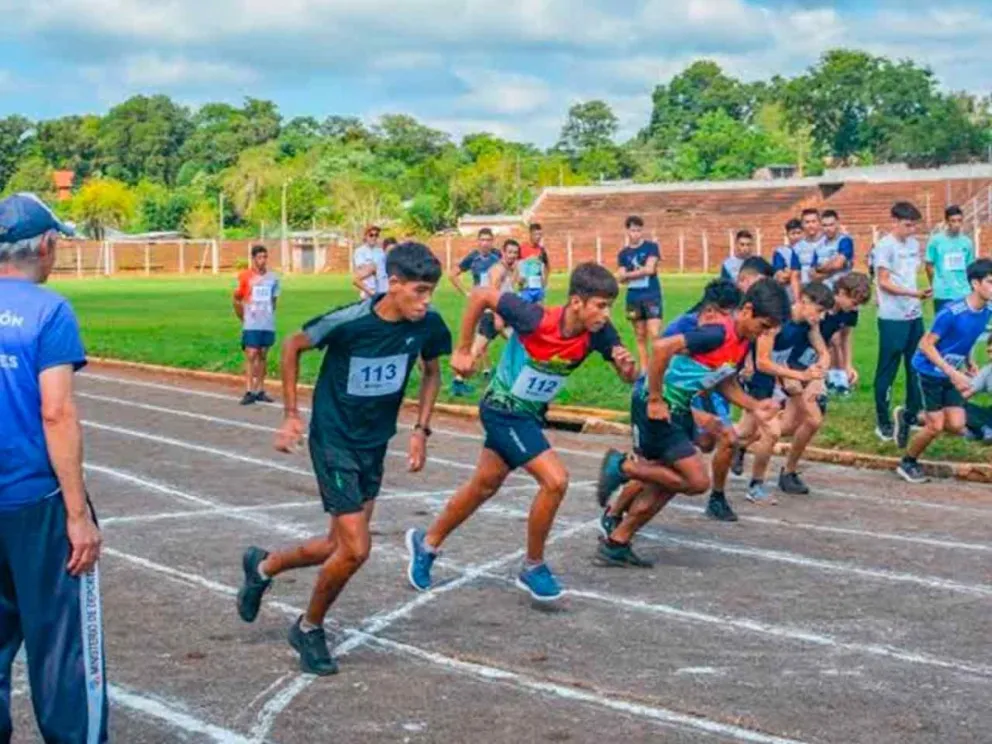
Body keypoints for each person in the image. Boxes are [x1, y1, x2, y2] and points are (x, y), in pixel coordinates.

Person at [236, 242, 452, 676]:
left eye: (431, 292)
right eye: (420, 291)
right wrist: (291, 415)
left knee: (335, 546)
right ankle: (308, 627)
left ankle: (263, 566)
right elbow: (292, 346)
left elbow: (431, 372)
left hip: (374, 442)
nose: (426, 301)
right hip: (334, 439)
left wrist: (421, 430)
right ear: (394, 284)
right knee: (356, 548)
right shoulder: (349, 321)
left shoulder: (427, 326)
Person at [405, 263, 638, 601]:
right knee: (555, 481)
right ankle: (533, 565)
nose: (606, 314)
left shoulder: (600, 333)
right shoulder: (534, 318)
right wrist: (463, 349)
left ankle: (426, 544)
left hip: (529, 416)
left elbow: (626, 375)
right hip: (502, 409)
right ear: (576, 302)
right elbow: (481, 295)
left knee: (484, 485)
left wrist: (627, 369)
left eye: (609, 307)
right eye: (601, 306)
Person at [0, 193, 107, 742]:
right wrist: (77, 514)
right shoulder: (50, 310)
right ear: (44, 245)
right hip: (35, 504)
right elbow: (56, 411)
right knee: (63, 652)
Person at [593, 279, 789, 563]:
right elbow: (661, 348)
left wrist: (754, 406)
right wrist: (655, 399)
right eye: (764, 325)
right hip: (657, 410)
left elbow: (723, 380)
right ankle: (623, 467)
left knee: (666, 485)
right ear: (747, 310)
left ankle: (617, 542)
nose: (764, 333)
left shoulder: (742, 342)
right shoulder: (717, 333)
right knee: (696, 481)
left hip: (679, 409)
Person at [736, 282, 834, 503]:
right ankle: (755, 485)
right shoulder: (776, 321)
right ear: (804, 301)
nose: (821, 317)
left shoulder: (810, 324)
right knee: (765, 432)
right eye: (819, 310)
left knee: (790, 425)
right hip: (761, 379)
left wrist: (818, 375)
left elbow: (824, 353)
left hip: (782, 375)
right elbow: (762, 362)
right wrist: (798, 375)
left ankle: (740, 449)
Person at [896, 259, 992, 483]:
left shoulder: (986, 310)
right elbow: (925, 345)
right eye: (990, 282)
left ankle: (909, 417)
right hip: (928, 370)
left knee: (957, 424)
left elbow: (965, 338)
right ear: (975, 284)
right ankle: (908, 462)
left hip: (950, 371)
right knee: (935, 426)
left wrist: (968, 362)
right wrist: (953, 372)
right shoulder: (951, 312)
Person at [873, 201, 931, 446]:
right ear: (894, 221)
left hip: (913, 314)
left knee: (915, 365)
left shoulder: (914, 244)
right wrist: (912, 293)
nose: (911, 230)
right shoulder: (884, 246)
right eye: (907, 225)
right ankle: (883, 421)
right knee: (888, 368)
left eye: (914, 226)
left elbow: (909, 275)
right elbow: (884, 281)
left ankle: (912, 413)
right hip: (892, 317)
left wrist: (917, 296)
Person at [449, 228, 503, 396]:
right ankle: (459, 379)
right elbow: (452, 275)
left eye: (488, 240)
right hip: (482, 306)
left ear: (493, 241)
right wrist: (466, 293)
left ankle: (487, 370)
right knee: (480, 341)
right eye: (482, 240)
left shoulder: (498, 256)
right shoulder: (473, 257)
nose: (485, 243)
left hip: (495, 304)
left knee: (482, 338)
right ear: (478, 241)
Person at [234, 244, 281, 405]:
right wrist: (243, 317)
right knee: (251, 354)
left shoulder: (273, 278)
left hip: (266, 323)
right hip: (251, 323)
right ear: (253, 259)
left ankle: (260, 390)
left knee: (263, 355)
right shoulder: (245, 276)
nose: (263, 260)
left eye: (265, 257)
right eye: (259, 257)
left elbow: (274, 300)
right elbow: (236, 299)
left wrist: (268, 314)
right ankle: (249, 390)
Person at [617, 215, 663, 371]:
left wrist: (628, 275)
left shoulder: (651, 247)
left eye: (638, 230)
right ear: (627, 231)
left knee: (654, 333)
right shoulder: (623, 254)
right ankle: (644, 370)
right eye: (632, 230)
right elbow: (620, 278)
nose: (635, 234)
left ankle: (658, 367)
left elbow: (650, 269)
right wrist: (637, 273)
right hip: (633, 297)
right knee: (640, 334)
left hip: (651, 295)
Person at [472, 239, 521, 374]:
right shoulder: (498, 270)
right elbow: (492, 294)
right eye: (510, 252)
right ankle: (458, 379)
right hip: (492, 315)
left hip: (506, 314)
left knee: (519, 344)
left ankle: (513, 373)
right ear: (503, 252)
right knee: (476, 350)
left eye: (515, 253)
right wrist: (497, 317)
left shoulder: (510, 269)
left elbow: (508, 290)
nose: (513, 255)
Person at [925, 205, 975, 314]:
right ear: (947, 221)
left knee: (963, 324)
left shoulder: (967, 242)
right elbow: (928, 264)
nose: (957, 224)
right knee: (943, 324)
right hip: (942, 293)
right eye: (953, 221)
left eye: (959, 220)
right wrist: (935, 284)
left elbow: (970, 267)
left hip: (963, 292)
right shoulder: (935, 241)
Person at [791, 208, 824, 298]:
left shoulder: (828, 243)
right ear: (802, 225)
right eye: (807, 222)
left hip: (827, 289)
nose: (810, 225)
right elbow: (795, 275)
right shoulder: (797, 247)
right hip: (806, 291)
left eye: (813, 221)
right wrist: (797, 299)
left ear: (819, 223)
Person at [518, 222, 550, 303]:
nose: (538, 237)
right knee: (525, 309)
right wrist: (519, 281)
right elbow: (515, 266)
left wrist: (545, 283)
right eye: (536, 234)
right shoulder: (522, 248)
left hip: (538, 289)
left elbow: (547, 267)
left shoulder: (542, 250)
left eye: (540, 234)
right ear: (530, 234)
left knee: (539, 310)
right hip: (525, 289)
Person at [352, 225, 387, 300]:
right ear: (365, 236)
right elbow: (361, 269)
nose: (374, 237)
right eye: (371, 235)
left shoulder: (381, 252)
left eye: (376, 235)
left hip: (381, 290)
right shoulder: (360, 251)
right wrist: (374, 268)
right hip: (367, 291)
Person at [773, 219, 803, 297]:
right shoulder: (780, 252)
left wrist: (790, 271)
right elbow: (781, 277)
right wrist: (797, 273)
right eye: (793, 233)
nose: (796, 236)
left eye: (799, 233)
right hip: (789, 292)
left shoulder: (809, 249)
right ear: (787, 235)